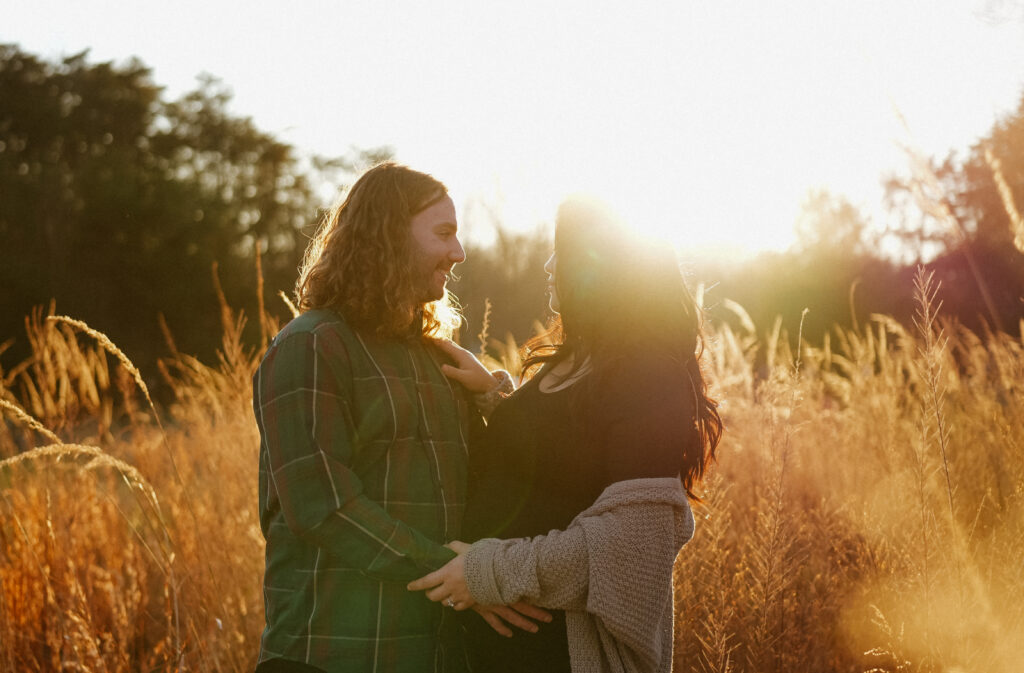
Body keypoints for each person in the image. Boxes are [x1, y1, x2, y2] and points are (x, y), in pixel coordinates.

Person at [408, 196, 724, 672]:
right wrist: (496, 393)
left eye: (565, 252)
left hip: (561, 652)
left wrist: (487, 573)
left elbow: (632, 546)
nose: (550, 265)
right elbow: (560, 455)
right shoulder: (579, 357)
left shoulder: (649, 372)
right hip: (486, 646)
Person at [252, 162, 543, 673]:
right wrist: (456, 574)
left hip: (429, 653)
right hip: (327, 652)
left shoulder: (438, 358)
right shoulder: (312, 345)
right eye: (444, 233)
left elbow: (495, 480)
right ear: (388, 235)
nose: (459, 252)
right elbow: (323, 507)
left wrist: (497, 393)